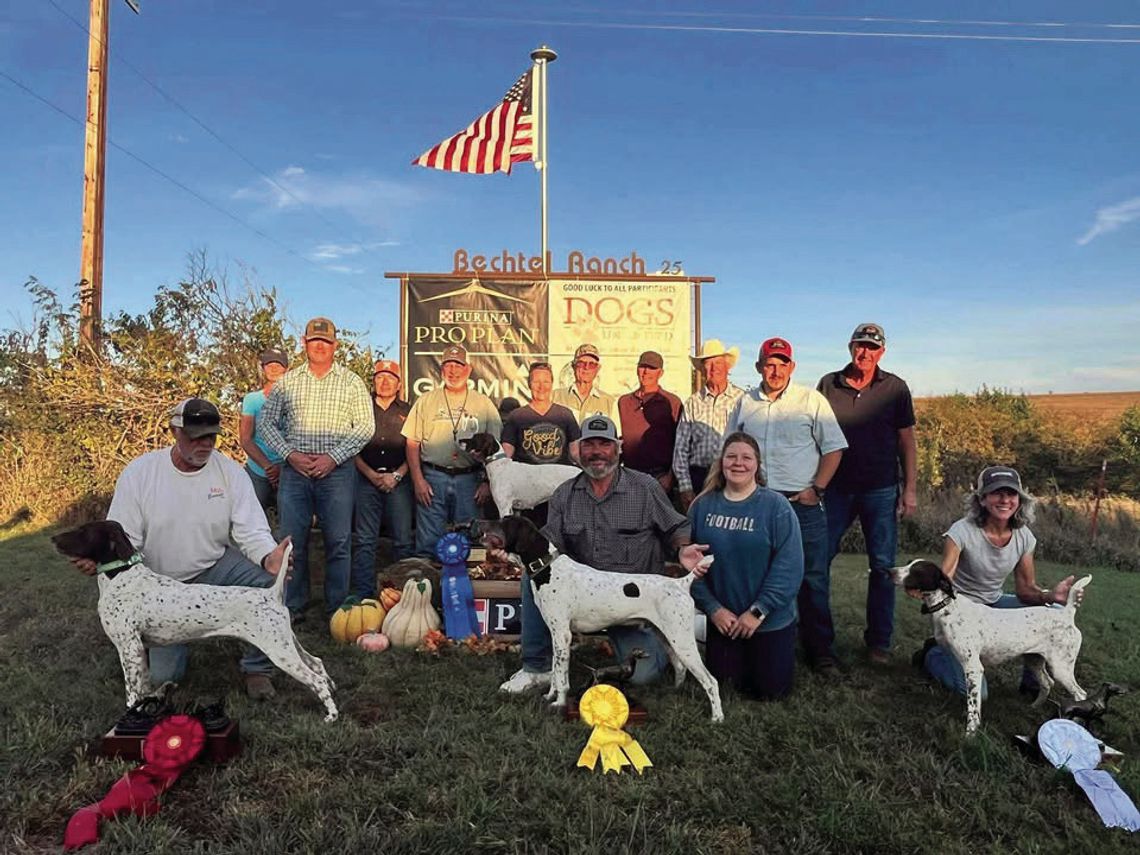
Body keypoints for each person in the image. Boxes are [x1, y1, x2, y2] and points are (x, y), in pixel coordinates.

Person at [74, 398, 292, 699]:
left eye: (211, 436)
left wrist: (269, 556)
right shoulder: (140, 472)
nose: (204, 444)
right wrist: (97, 561)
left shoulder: (231, 473)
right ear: (175, 431)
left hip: (214, 566)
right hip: (158, 583)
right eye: (195, 436)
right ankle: (145, 641)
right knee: (166, 677)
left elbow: (250, 528)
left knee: (268, 582)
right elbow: (123, 538)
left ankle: (257, 668)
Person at [500, 414, 709, 693]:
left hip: (632, 601)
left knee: (643, 675)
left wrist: (683, 547)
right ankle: (536, 668)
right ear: (579, 450)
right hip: (585, 597)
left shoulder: (645, 488)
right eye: (589, 445)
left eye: (604, 444)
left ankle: (667, 639)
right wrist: (515, 552)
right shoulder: (564, 493)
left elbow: (676, 524)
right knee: (536, 574)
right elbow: (550, 542)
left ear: (618, 448)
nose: (597, 452)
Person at [727, 337, 848, 677]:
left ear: (792, 367)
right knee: (756, 576)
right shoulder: (744, 403)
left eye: (782, 364)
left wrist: (817, 489)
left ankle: (820, 651)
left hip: (802, 503)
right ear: (759, 367)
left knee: (811, 578)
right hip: (758, 503)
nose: (776, 370)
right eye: (770, 363)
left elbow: (834, 449)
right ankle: (763, 642)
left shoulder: (811, 400)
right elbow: (730, 448)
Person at [918, 466, 1085, 696]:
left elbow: (1026, 590)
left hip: (993, 605)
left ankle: (1032, 682)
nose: (1005, 499)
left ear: (1020, 500)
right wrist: (924, 589)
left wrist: (1050, 595)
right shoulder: (961, 532)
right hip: (962, 614)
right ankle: (933, 654)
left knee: (1053, 610)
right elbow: (944, 578)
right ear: (983, 499)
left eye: (1012, 493)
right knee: (975, 692)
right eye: (997, 493)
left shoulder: (1024, 536)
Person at [258, 317, 373, 621]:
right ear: (304, 344)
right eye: (314, 341)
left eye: (325, 342)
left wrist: (333, 457)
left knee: (338, 541)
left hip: (336, 472)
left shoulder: (351, 381)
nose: (320, 346)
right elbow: (266, 423)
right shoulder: (288, 381)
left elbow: (365, 427)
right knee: (292, 541)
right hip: (295, 472)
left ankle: (336, 608)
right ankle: (293, 606)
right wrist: (289, 454)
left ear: (335, 346)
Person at [817, 323, 918, 665]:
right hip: (834, 489)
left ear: (882, 352)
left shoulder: (895, 388)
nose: (865, 353)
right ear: (850, 347)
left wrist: (910, 489)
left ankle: (879, 643)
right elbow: (813, 435)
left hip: (880, 489)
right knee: (817, 561)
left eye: (872, 348)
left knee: (883, 567)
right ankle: (818, 640)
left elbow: (907, 441)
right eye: (860, 346)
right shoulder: (828, 384)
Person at [689, 432, 804, 700]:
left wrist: (758, 610)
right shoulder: (702, 506)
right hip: (724, 623)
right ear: (721, 463)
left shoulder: (776, 506)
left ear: (757, 464)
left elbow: (789, 567)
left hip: (767, 621)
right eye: (731, 456)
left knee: (770, 693)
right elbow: (691, 566)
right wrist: (713, 609)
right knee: (727, 688)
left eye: (746, 457)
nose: (738, 463)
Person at [402, 344, 502, 557]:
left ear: (468, 369)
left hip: (470, 481)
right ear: (442, 369)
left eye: (458, 365)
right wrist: (418, 480)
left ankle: (467, 590)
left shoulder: (484, 404)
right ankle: (426, 589)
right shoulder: (426, 401)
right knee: (428, 545)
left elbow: (496, 448)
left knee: (471, 544)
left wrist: (487, 482)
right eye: (448, 365)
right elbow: (412, 443)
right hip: (432, 479)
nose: (453, 371)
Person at [350, 359, 413, 600]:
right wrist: (371, 474)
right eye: (380, 377)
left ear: (398, 384)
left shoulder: (408, 411)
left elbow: (416, 448)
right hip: (367, 480)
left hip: (399, 481)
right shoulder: (360, 409)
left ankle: (404, 597)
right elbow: (351, 446)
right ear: (374, 381)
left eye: (391, 378)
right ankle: (364, 598)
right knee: (365, 541)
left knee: (403, 542)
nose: (385, 382)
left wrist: (396, 475)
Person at [500, 361, 581, 526]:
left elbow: (576, 453)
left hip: (559, 488)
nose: (541, 386)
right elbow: (504, 457)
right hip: (528, 491)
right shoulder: (517, 416)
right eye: (536, 381)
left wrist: (592, 474)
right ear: (529, 384)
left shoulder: (565, 415)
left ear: (552, 384)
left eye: (545, 381)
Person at [673, 338, 745, 511]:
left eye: (718, 362)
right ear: (702, 369)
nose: (714, 368)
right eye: (708, 363)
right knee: (699, 532)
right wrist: (685, 487)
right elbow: (680, 448)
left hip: (733, 475)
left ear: (728, 366)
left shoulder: (742, 400)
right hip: (699, 478)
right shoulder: (692, 402)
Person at [618, 351, 684, 493]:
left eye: (652, 368)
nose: (646, 372)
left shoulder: (672, 402)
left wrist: (670, 478)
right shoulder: (623, 402)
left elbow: (680, 444)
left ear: (660, 373)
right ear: (637, 369)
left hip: (660, 478)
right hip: (630, 477)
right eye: (643, 366)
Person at [240, 348, 289, 515]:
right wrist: (268, 467)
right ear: (263, 368)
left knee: (291, 523)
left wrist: (281, 468)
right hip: (258, 469)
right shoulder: (252, 399)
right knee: (247, 519)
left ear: (286, 369)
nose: (274, 369)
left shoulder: (295, 401)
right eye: (269, 365)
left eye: (278, 365)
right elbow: (246, 439)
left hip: (288, 469)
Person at [551, 342, 618, 424]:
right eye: (581, 363)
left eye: (592, 364)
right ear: (573, 366)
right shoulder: (555, 397)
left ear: (597, 369)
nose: (586, 368)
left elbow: (616, 434)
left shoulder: (609, 403)